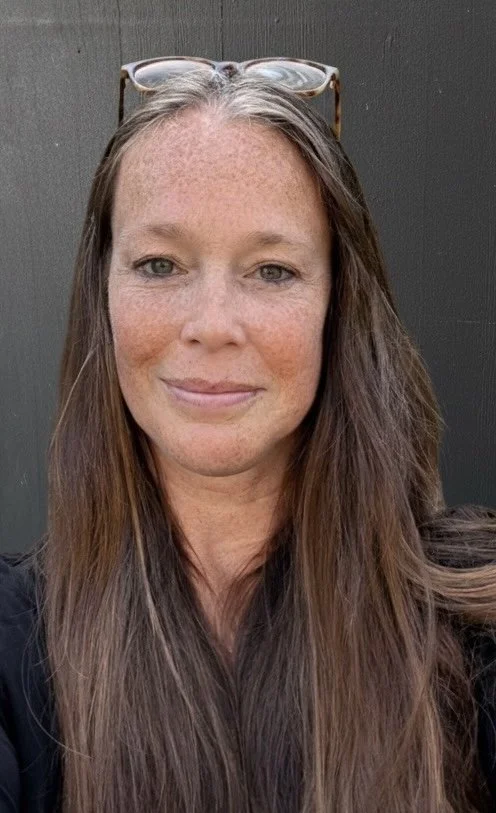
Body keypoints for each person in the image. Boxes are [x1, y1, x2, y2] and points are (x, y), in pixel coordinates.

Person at [1, 57, 496, 813]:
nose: (212, 327)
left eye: (271, 271)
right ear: (102, 294)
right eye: (160, 264)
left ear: (340, 303)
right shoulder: (13, 656)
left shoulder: (477, 624)